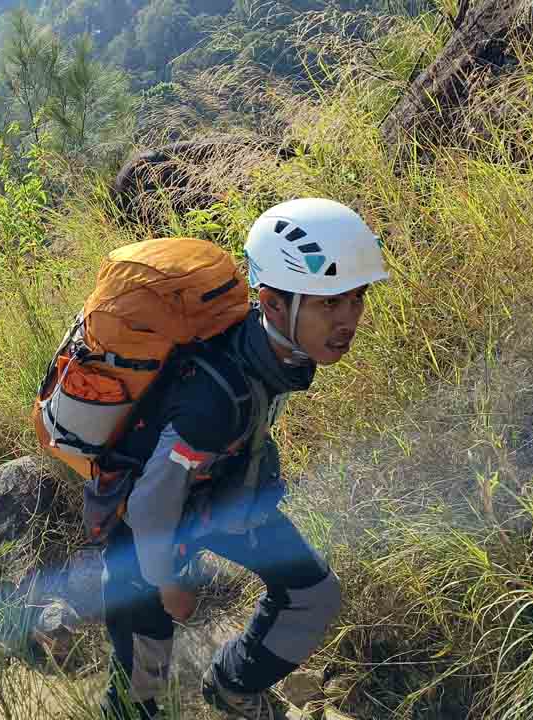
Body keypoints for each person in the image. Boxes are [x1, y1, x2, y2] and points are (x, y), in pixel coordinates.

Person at [98, 198, 389, 720]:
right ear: (272, 304)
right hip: (142, 534)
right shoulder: (215, 398)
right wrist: (168, 581)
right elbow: (149, 506)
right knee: (140, 684)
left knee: (313, 594)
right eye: (329, 304)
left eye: (356, 298)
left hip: (219, 496)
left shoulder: (272, 351)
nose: (348, 319)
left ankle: (232, 687)